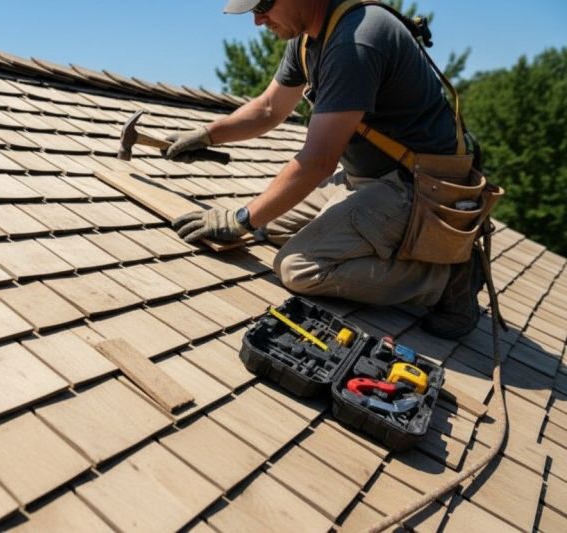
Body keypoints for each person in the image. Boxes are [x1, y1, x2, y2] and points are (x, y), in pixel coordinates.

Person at [167, 0, 487, 339]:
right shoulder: (308, 38)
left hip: (418, 188)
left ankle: (447, 279)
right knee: (271, 225)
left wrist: (241, 219)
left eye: (263, 5)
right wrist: (206, 136)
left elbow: (318, 161)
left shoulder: (356, 41)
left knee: (297, 268)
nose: (259, 21)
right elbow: (268, 108)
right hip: (366, 180)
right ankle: (387, 245)